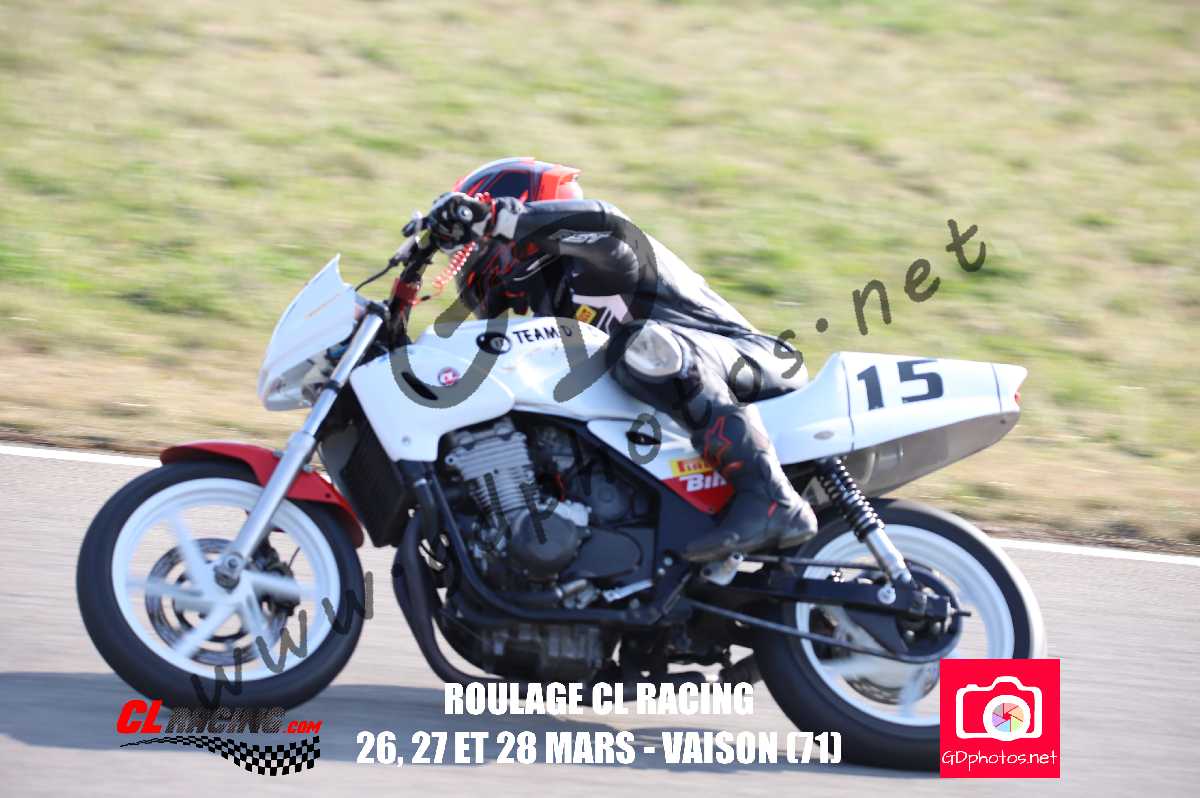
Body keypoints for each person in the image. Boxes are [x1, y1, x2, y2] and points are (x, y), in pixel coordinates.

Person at [421, 157, 817, 562]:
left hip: (755, 359)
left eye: (475, 243)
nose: (469, 258)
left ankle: (771, 498)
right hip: (689, 403)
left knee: (640, 344)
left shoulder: (598, 259)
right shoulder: (550, 312)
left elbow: (608, 224)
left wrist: (498, 218)